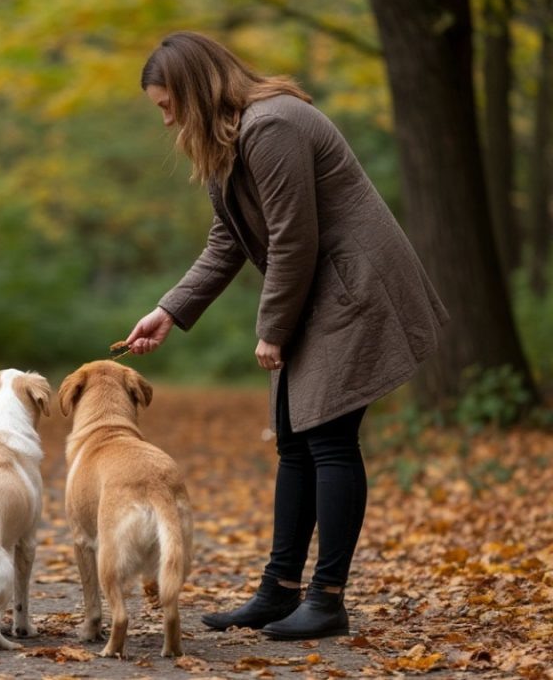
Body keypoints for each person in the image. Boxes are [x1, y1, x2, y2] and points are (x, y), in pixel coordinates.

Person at [124, 32, 448, 641]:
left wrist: (272, 330)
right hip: (318, 287)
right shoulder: (233, 140)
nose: (165, 119)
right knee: (297, 440)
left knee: (327, 437)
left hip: (353, 288)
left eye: (168, 106)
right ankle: (280, 591)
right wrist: (170, 309)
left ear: (195, 92)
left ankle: (327, 599)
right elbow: (228, 241)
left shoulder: (272, 128)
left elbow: (293, 238)